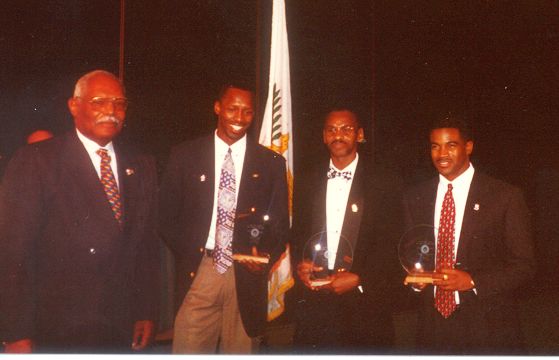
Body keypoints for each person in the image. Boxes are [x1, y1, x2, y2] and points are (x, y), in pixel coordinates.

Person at [0, 70, 160, 353]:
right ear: (74, 106)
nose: (111, 111)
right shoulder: (37, 161)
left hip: (119, 325)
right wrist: (16, 332)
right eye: (99, 102)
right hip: (58, 326)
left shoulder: (142, 164)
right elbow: (13, 254)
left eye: (119, 103)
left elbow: (144, 247)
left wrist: (145, 310)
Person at [158, 83, 289, 354]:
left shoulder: (271, 163)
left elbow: (279, 225)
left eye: (247, 112)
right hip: (200, 271)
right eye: (232, 109)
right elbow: (166, 217)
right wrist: (190, 251)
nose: (239, 118)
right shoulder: (185, 155)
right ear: (217, 107)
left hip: (246, 277)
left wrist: (263, 258)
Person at [402, 114, 535, 354]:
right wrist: (416, 280)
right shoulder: (415, 197)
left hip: (488, 324)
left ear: (468, 147)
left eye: (451, 145)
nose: (442, 154)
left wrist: (473, 281)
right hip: (432, 324)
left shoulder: (505, 196)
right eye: (435, 146)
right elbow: (413, 254)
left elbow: (525, 266)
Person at [292, 108, 403, 353]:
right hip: (315, 303)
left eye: (346, 129)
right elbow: (298, 233)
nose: (338, 135)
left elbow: (392, 243)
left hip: (365, 305)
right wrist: (302, 264)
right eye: (331, 129)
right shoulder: (307, 180)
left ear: (360, 134)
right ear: (324, 136)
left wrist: (361, 278)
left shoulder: (384, 181)